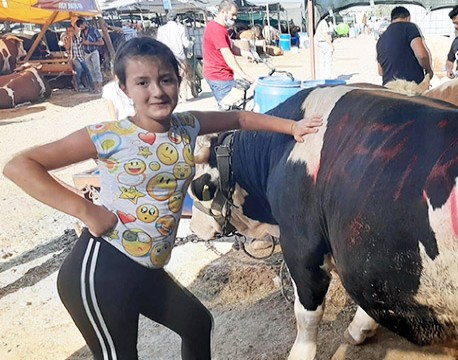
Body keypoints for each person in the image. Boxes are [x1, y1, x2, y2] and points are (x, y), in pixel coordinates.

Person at [2, 37, 321, 360]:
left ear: (179, 82)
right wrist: (86, 210)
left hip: (147, 269)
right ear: (124, 88)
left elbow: (239, 119)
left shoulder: (186, 126)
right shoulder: (107, 135)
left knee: (196, 324)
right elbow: (20, 166)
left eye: (166, 79)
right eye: (142, 82)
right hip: (103, 269)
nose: (157, 91)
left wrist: (292, 126)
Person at [203, 0, 253, 110]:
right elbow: (228, 55)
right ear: (223, 12)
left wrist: (244, 53)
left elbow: (230, 47)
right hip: (219, 77)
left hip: (223, 75)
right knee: (229, 111)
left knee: (233, 108)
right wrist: (244, 74)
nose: (235, 18)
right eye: (233, 14)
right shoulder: (216, 29)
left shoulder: (222, 28)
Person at [376, 7, 433, 86]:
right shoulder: (410, 27)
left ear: (392, 19)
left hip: (388, 91)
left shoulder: (381, 39)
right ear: (408, 18)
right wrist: (429, 70)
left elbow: (381, 72)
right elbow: (422, 55)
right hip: (410, 89)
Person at [157, 12, 193, 102]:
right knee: (183, 76)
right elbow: (186, 44)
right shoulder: (180, 28)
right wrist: (191, 42)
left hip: (165, 57)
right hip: (180, 56)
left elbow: (158, 44)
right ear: (176, 19)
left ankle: (172, 96)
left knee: (168, 78)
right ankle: (183, 96)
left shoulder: (161, 29)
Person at [75, 18, 105, 92]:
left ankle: (100, 87)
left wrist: (90, 43)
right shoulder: (81, 32)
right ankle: (95, 88)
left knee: (96, 69)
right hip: (86, 53)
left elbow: (101, 42)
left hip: (94, 51)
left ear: (85, 23)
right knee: (91, 71)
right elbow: (81, 41)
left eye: (82, 25)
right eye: (80, 27)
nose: (81, 27)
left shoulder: (94, 30)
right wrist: (83, 43)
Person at [60, 26, 93, 92]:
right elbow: (67, 47)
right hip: (73, 57)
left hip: (82, 57)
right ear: (67, 32)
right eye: (69, 31)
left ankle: (91, 85)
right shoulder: (66, 38)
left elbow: (83, 44)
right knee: (79, 68)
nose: (71, 32)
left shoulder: (79, 38)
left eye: (72, 30)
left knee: (88, 69)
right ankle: (78, 82)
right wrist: (70, 38)